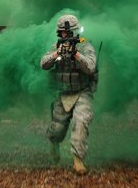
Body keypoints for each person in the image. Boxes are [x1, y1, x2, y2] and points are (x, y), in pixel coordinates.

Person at [40, 14, 97, 175]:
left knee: (81, 121)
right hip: (63, 92)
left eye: (69, 32)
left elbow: (91, 67)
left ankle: (78, 160)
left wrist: (76, 54)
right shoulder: (56, 46)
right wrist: (56, 54)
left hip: (82, 91)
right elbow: (43, 64)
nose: (66, 35)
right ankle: (54, 143)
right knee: (57, 128)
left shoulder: (85, 46)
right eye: (64, 33)